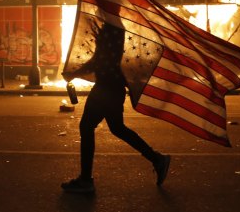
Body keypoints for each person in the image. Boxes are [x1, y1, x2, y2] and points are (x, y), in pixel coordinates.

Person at [61, 23, 171, 193]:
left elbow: (100, 60)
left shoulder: (111, 27)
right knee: (117, 128)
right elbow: (101, 59)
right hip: (113, 87)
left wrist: (74, 73)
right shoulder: (113, 26)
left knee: (87, 126)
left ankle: (85, 180)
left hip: (106, 88)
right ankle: (156, 158)